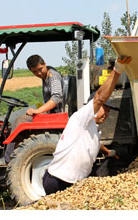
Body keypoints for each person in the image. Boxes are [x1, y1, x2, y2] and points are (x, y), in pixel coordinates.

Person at [42, 56, 132, 195]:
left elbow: (93, 142)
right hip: (58, 181)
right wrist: (117, 71)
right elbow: (100, 98)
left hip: (75, 183)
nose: (106, 114)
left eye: (109, 111)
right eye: (104, 109)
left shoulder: (94, 129)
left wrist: (107, 152)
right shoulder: (81, 118)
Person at [4, 54, 64, 163]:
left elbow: (57, 97)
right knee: (23, 119)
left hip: (58, 115)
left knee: (20, 120)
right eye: (35, 72)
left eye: (40, 69)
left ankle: (8, 158)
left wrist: (37, 111)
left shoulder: (53, 76)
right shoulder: (45, 77)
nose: (39, 73)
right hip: (52, 114)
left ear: (45, 64)